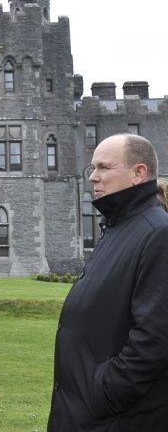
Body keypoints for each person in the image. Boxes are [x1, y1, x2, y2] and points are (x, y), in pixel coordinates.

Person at [48, 133, 168, 431]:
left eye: (103, 167)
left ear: (138, 173)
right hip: (85, 411)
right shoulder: (119, 228)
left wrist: (105, 393)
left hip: (116, 418)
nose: (92, 177)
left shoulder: (157, 235)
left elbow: (155, 339)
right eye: (92, 168)